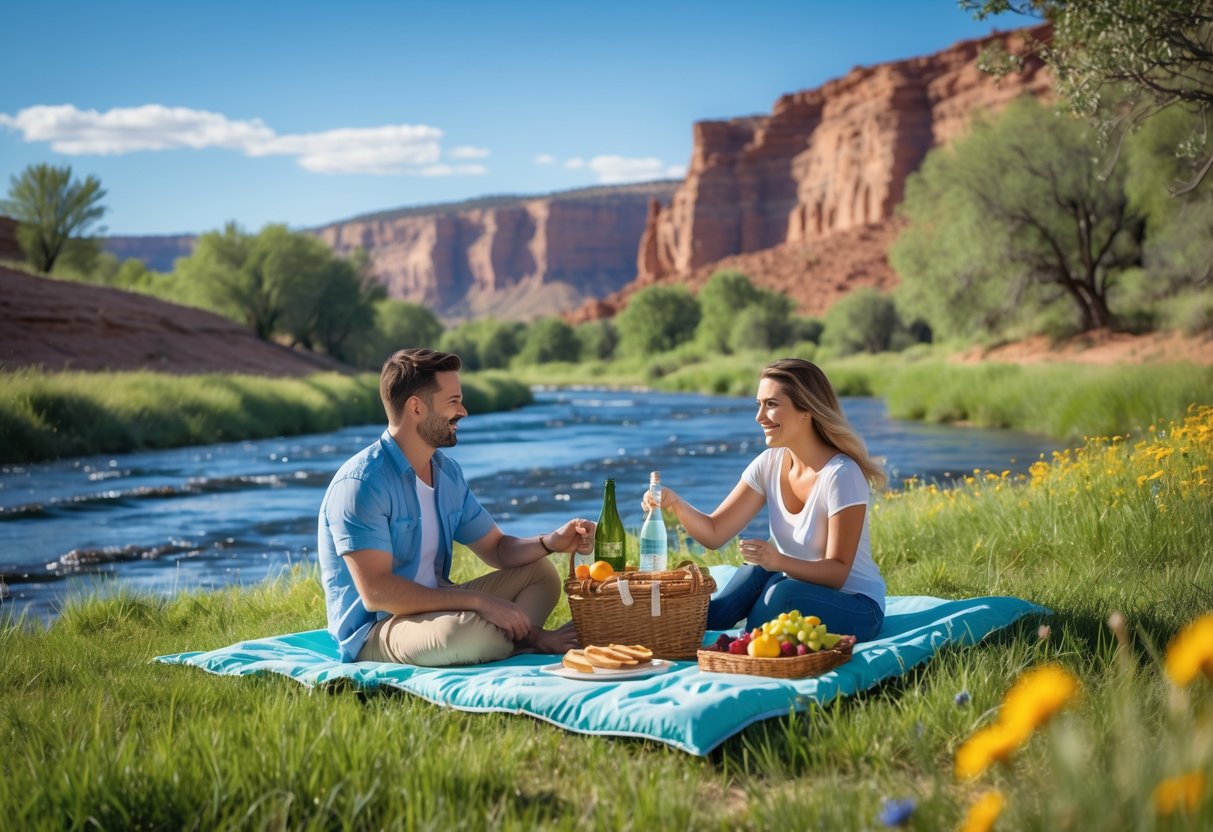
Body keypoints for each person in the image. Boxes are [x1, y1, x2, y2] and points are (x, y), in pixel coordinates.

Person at [318, 348, 593, 666]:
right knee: (461, 635)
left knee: (540, 574)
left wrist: (550, 542)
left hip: (438, 609)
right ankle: (524, 640)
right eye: (453, 401)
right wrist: (479, 602)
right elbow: (378, 593)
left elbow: (498, 549)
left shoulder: (446, 473)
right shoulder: (362, 484)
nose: (463, 411)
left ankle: (504, 642)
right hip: (380, 626)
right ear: (416, 408)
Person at [642, 358, 888, 641]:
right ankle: (657, 630)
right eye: (759, 404)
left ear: (805, 410)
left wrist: (779, 561)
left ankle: (741, 645)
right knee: (744, 583)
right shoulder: (769, 463)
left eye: (771, 404)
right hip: (797, 584)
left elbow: (838, 574)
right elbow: (714, 532)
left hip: (856, 606)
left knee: (779, 593)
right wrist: (674, 502)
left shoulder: (841, 475)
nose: (759, 417)